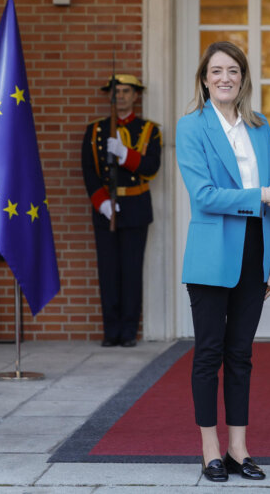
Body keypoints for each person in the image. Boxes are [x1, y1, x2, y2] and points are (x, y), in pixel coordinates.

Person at [176, 41, 270, 483]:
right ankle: (209, 449)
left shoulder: (259, 127)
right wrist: (260, 195)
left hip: (256, 249)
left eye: (233, 70)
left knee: (241, 354)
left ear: (243, 78)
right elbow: (204, 196)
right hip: (211, 254)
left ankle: (238, 448)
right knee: (209, 352)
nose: (224, 77)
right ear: (204, 78)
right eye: (216, 71)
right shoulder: (191, 127)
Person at [81, 74, 162, 348]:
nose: (121, 96)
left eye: (127, 91)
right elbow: (89, 171)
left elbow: (151, 167)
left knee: (131, 272)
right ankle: (110, 331)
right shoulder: (95, 131)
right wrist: (102, 201)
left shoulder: (149, 130)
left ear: (136, 96)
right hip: (106, 209)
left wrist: (125, 154)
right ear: (110, 96)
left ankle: (128, 332)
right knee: (108, 272)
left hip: (135, 208)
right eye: (116, 92)